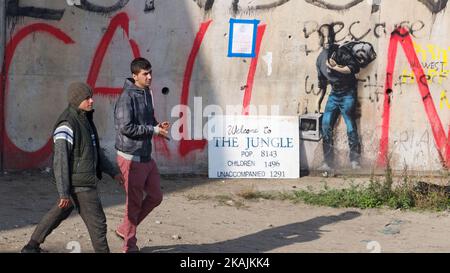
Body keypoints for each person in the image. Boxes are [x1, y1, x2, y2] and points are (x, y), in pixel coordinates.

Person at [21, 82, 123, 253]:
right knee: (98, 223)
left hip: (78, 181)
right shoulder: (67, 124)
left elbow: (95, 151)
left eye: (91, 97)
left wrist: (113, 172)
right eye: (87, 98)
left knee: (60, 211)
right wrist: (63, 192)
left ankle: (31, 247)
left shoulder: (85, 119)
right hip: (80, 183)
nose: (92, 101)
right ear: (77, 100)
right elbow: (60, 161)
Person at [114, 57, 170, 253]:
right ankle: (129, 247)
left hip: (145, 156)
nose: (149, 76)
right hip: (131, 157)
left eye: (150, 72)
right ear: (134, 75)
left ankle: (124, 228)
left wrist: (157, 125)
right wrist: (153, 131)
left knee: (155, 196)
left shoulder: (146, 92)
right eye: (145, 74)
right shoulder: (126, 97)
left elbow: (148, 119)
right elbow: (126, 127)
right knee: (134, 204)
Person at [316, 24, 362, 171]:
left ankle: (355, 161)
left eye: (330, 36)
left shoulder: (340, 51)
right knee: (326, 125)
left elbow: (354, 68)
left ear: (333, 37)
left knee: (350, 126)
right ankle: (328, 162)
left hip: (348, 93)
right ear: (320, 39)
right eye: (324, 37)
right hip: (334, 94)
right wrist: (319, 100)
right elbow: (322, 83)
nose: (327, 40)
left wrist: (335, 68)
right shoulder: (319, 59)